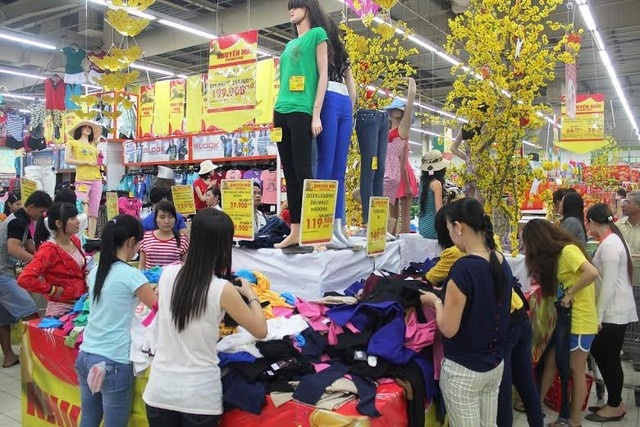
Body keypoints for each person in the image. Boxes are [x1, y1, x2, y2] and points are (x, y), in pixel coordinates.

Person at [142, 208, 267, 426]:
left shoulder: (168, 274)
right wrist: (251, 295)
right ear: (224, 245)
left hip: (159, 390)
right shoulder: (222, 289)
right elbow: (261, 330)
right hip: (198, 395)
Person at [420, 198, 512, 425]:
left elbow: (448, 329)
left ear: (458, 227)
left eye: (449, 228)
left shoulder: (463, 269)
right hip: (494, 365)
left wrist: (436, 302)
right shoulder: (500, 260)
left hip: (464, 371)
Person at [75, 215, 157, 427]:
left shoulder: (96, 271)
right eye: (139, 242)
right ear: (131, 242)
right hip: (113, 361)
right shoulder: (131, 275)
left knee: (89, 419)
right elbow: (160, 308)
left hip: (86, 355)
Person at [522, 219, 598, 427]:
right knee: (552, 361)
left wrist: (570, 294)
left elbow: (592, 273)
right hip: (566, 318)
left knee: (575, 370)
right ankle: (535, 407)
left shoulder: (568, 251)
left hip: (579, 319)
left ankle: (575, 421)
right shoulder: (560, 255)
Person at [273, 0, 329, 248]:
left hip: (302, 109)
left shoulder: (317, 34)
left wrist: (316, 113)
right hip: (280, 110)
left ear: (308, 8)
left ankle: (314, 232)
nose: (291, 10)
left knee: (304, 171)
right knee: (289, 173)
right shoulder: (289, 44)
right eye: (290, 6)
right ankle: (295, 230)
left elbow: (323, 74)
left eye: (296, 5)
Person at [585, 203, 637, 422]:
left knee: (608, 357)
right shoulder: (611, 241)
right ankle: (616, 402)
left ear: (592, 222)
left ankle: (615, 404)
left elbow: (608, 285)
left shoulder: (610, 246)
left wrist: (598, 315)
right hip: (613, 310)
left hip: (613, 312)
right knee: (604, 354)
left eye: (588, 223)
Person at [315, 19, 356, 248]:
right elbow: (351, 85)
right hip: (340, 100)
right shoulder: (335, 51)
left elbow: (349, 81)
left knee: (332, 166)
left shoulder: (334, 51)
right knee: (332, 167)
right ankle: (330, 226)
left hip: (334, 99)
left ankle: (335, 226)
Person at [0, 191, 52, 367]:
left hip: (5, 271)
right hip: (2, 273)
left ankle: (9, 356)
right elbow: (13, 249)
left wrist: (44, 259)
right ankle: (35, 357)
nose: (42, 215)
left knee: (3, 318)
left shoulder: (24, 219)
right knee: (31, 311)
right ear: (32, 207)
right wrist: (38, 263)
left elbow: (29, 245)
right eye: (41, 211)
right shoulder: (17, 221)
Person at [18, 202, 86, 317]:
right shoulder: (48, 249)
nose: (78, 221)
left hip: (80, 305)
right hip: (60, 309)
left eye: (76, 216)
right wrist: (52, 290)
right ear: (59, 223)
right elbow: (24, 279)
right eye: (73, 218)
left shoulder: (75, 241)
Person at [383, 79, 418, 235]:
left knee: (403, 216)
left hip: (399, 173)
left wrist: (411, 83)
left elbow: (410, 100)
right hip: (390, 172)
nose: (396, 111)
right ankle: (392, 238)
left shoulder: (403, 129)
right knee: (392, 214)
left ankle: (402, 241)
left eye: (399, 108)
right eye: (393, 109)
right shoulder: (388, 131)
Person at [65, 120, 103, 239]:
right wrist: (86, 162)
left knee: (94, 211)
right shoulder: (72, 143)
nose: (87, 128)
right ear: (79, 129)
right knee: (80, 207)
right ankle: (77, 237)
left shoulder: (93, 146)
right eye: (84, 126)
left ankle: (91, 238)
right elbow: (67, 160)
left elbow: (98, 161)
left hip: (97, 179)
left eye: (89, 127)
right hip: (82, 179)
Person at [139, 201, 189, 270]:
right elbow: (141, 266)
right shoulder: (146, 238)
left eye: (170, 217)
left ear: (175, 219)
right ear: (156, 219)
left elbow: (185, 267)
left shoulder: (182, 240)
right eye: (162, 217)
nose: (166, 221)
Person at [417, 150, 449, 239]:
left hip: (422, 228)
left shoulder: (423, 182)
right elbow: (439, 210)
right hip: (433, 229)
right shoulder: (436, 183)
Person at [616, 191, 640, 283]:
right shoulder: (618, 225)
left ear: (638, 207)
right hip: (622, 280)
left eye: (628, 202)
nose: (623, 205)